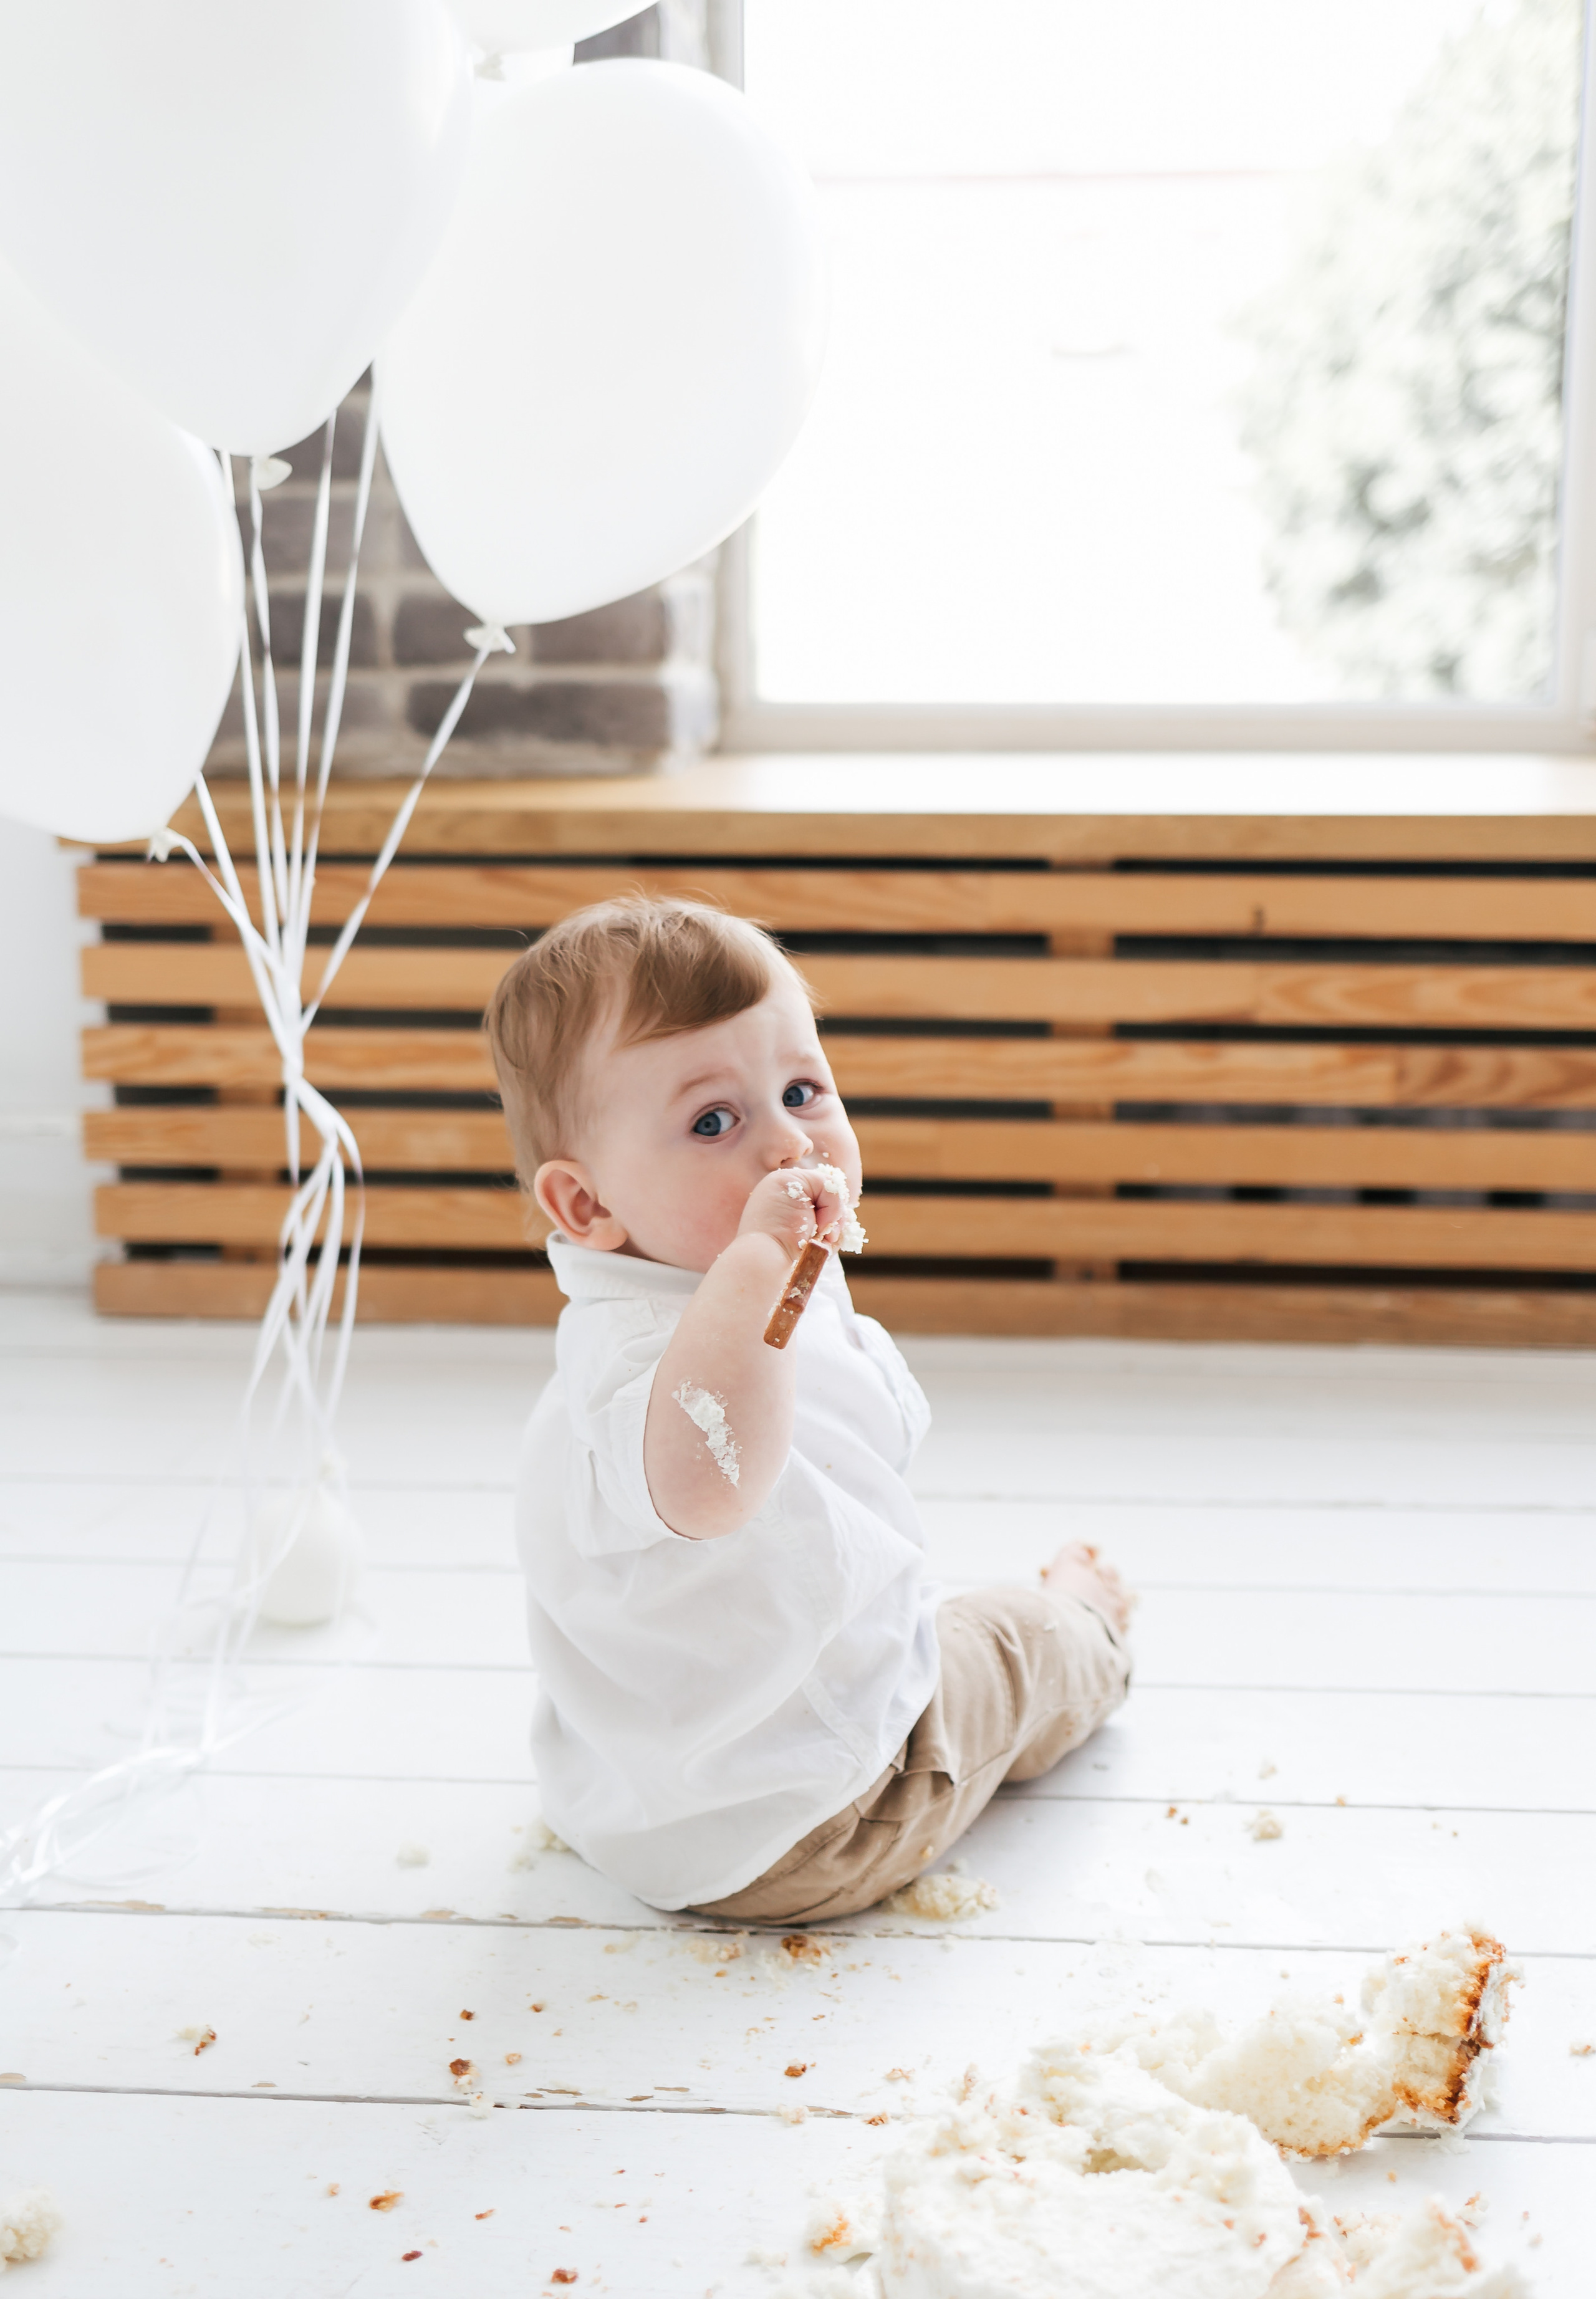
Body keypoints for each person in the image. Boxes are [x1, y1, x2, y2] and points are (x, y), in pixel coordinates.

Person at [485, 895, 1131, 1922]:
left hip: (653, 1802)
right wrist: (757, 1259)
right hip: (817, 1824)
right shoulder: (656, 1351)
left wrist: (756, 1259)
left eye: (801, 1090)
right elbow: (710, 1478)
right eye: (714, 1122)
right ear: (588, 1204)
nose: (790, 1144)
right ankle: (1089, 1628)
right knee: (1016, 1641)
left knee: (926, 1618)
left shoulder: (707, 1272)